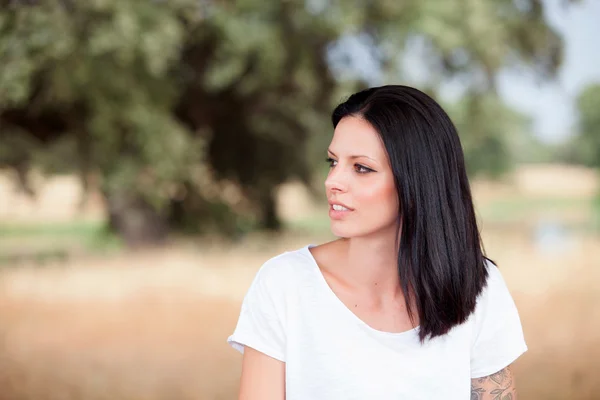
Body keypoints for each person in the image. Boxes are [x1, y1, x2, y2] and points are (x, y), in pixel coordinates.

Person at [227, 85, 527, 400]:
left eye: (361, 168)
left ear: (417, 181)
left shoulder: (478, 287)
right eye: (333, 162)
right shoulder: (284, 285)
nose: (333, 182)